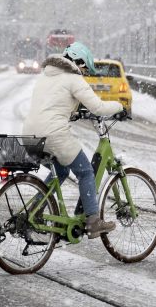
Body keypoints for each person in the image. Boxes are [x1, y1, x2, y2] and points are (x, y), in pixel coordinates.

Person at [22, 42, 124, 238]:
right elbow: (99, 108)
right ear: (77, 62)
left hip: (30, 136)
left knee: (60, 171)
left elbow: (54, 103)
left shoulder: (45, 75)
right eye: (84, 67)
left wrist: (75, 111)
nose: (84, 73)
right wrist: (119, 107)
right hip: (53, 134)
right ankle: (93, 222)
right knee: (86, 172)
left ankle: (35, 211)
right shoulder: (73, 78)